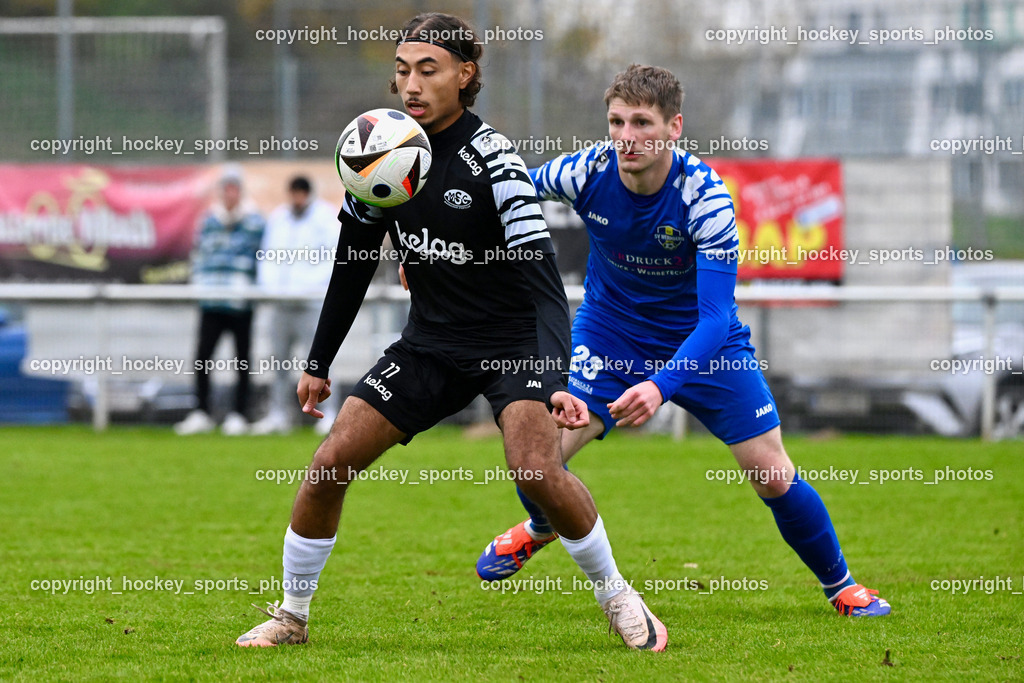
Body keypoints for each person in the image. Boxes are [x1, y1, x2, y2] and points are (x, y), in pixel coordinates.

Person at [235, 14, 667, 651]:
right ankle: (292, 617)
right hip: (430, 344)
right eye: (403, 69)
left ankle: (621, 598)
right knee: (329, 464)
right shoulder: (375, 147)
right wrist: (319, 360)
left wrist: (554, 381)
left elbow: (545, 285)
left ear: (465, 76)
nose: (410, 83)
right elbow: (353, 262)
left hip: (512, 342)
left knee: (536, 471)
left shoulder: (493, 160)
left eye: (428, 69)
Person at [475, 64, 891, 618]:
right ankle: (544, 524)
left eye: (642, 123)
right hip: (609, 336)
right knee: (535, 461)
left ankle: (841, 586)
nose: (626, 137)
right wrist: (426, 248)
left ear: (674, 127)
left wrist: (660, 385)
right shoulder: (584, 172)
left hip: (706, 346)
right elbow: (497, 192)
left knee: (770, 472)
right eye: (617, 122)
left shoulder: (706, 197)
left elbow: (717, 317)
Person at [175, 167, 265, 436]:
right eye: (225, 188)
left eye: (234, 188)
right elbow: (199, 255)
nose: (230, 193)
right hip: (212, 301)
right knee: (202, 358)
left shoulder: (255, 221)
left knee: (242, 360)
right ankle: (202, 411)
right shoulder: (208, 220)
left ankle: (239, 414)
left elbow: (259, 257)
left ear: (240, 191)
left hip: (241, 302)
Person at [251, 176, 339, 436]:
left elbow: (332, 258)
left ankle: (328, 413)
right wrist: (272, 289)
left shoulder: (325, 217)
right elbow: (267, 254)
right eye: (293, 194)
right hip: (280, 304)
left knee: (319, 361)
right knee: (278, 361)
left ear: (308, 194)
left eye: (301, 194)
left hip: (311, 304)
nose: (296, 199)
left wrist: (305, 287)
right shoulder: (279, 218)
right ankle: (279, 414)